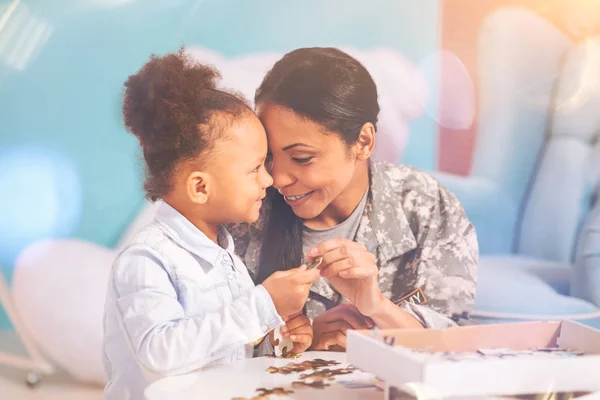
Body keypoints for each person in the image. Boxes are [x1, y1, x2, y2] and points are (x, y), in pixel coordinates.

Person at [102, 49, 319, 399]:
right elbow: (161, 355)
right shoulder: (146, 261)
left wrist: (277, 337)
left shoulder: (226, 257)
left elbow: (225, 350)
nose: (269, 179)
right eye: (254, 169)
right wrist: (262, 305)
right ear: (200, 187)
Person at [230, 47, 479, 352]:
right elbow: (196, 347)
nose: (277, 178)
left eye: (301, 158)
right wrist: (294, 343)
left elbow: (457, 350)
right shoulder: (242, 214)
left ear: (363, 142)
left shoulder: (426, 207)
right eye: (269, 156)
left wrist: (378, 308)